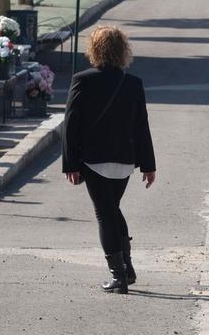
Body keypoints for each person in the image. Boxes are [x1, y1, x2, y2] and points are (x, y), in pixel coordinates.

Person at [62, 26, 157, 295]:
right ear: (122, 51)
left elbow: (70, 125)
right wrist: (148, 165)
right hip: (125, 160)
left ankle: (119, 277)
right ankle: (126, 267)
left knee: (105, 214)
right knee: (112, 209)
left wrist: (70, 163)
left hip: (93, 160)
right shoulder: (133, 83)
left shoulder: (82, 80)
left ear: (94, 50)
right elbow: (142, 126)